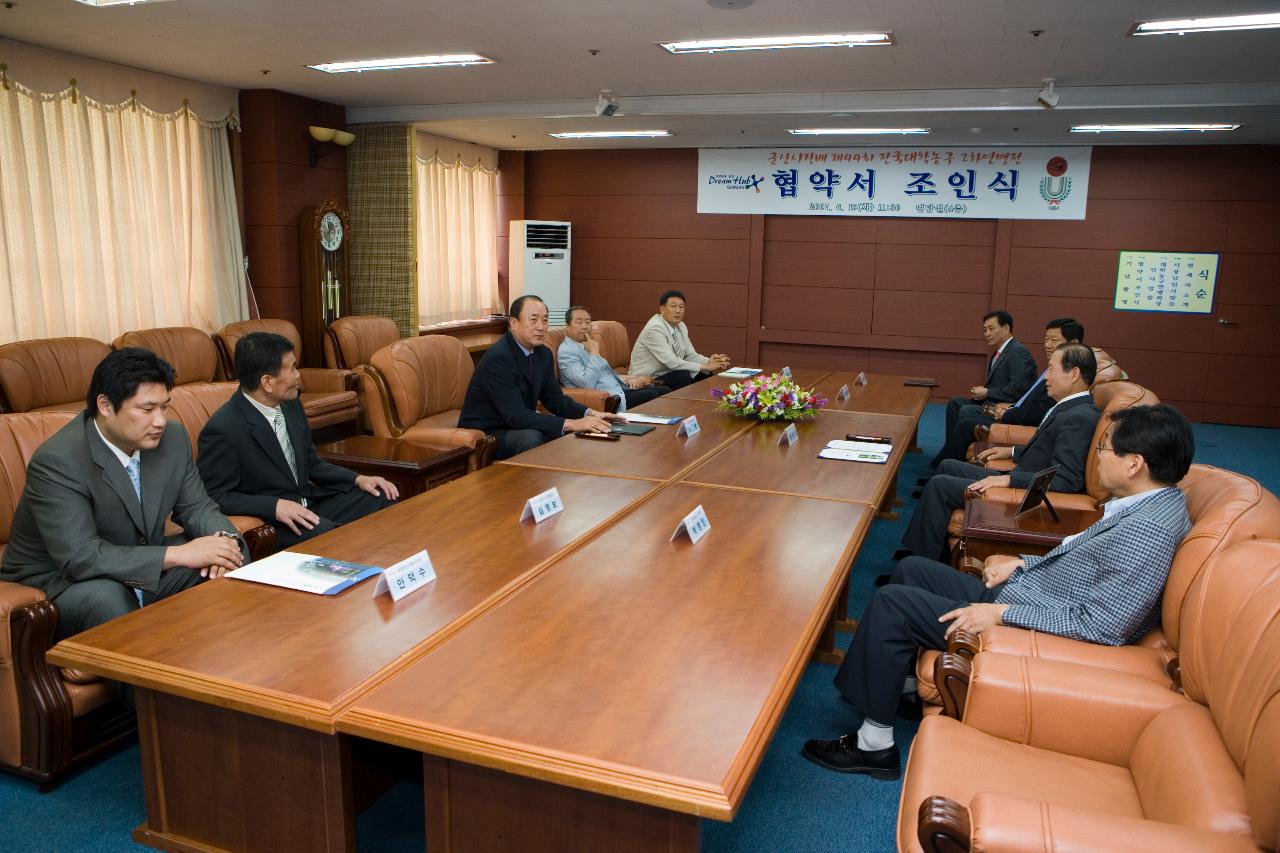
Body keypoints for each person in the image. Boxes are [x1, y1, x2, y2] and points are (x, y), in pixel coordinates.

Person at [802, 404, 1195, 780]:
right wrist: (1023, 562)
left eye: (1105, 448)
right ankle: (899, 686)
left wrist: (1001, 614)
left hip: (1031, 621)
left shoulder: (1150, 529)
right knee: (911, 570)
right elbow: (1084, 562)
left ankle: (874, 744)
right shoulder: (1148, 505)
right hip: (1031, 592)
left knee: (893, 603)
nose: (1099, 455)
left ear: (1135, 463)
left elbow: (1103, 625)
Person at [1, 348, 247, 641]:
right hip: (64, 582)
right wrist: (178, 554)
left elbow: (198, 507)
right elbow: (81, 557)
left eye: (164, 407)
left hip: (139, 564)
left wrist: (225, 544)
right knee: (108, 597)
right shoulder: (59, 460)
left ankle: (219, 671)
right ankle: (154, 685)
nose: (159, 421)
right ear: (105, 405)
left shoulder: (173, 438)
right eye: (147, 409)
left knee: (229, 556)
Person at [900, 343, 1100, 564]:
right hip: (1024, 474)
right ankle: (934, 550)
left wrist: (1008, 479)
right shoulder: (1071, 408)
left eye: (1052, 369)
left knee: (941, 485)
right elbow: (1048, 450)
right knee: (948, 466)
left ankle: (922, 559)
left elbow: (1066, 479)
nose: (1046, 378)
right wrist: (1011, 450)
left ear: (1073, 374)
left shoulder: (1080, 417)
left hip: (1025, 492)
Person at [197, 332, 399, 550]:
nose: (298, 376)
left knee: (381, 497)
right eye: (292, 368)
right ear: (267, 382)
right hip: (278, 522)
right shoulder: (224, 428)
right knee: (333, 536)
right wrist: (274, 506)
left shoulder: (290, 404)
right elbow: (215, 496)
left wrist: (358, 479)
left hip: (310, 505)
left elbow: (311, 463)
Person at [459, 294, 619, 459]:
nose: (541, 327)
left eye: (544, 320)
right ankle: (531, 485)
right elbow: (516, 415)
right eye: (533, 320)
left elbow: (555, 399)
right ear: (513, 323)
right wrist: (571, 423)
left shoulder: (543, 353)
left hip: (516, 425)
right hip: (487, 432)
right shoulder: (498, 358)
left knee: (575, 433)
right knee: (532, 437)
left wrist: (590, 414)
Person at [930, 317, 1084, 468]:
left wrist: (1004, 410)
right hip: (1013, 409)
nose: (1048, 345)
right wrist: (1009, 407)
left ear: (1074, 344)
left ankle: (944, 465)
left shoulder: (1064, 376)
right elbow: (1029, 399)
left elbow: (1032, 406)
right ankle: (949, 460)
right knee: (958, 405)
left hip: (1020, 422)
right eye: (1046, 339)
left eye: (1054, 340)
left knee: (965, 417)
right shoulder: (1050, 369)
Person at [941, 311, 1038, 444]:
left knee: (965, 409)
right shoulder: (999, 352)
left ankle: (956, 450)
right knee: (955, 403)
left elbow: (1019, 388)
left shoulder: (1018, 351)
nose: (987, 333)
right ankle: (952, 447)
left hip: (1004, 408)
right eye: (985, 330)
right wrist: (984, 392)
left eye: (991, 329)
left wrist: (987, 392)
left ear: (1005, 329)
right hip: (991, 402)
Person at [557, 305, 668, 412]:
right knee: (653, 396)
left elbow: (605, 374)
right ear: (567, 327)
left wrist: (628, 381)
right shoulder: (567, 351)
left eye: (587, 322)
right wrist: (595, 354)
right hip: (609, 400)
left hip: (619, 390)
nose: (585, 326)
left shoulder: (587, 344)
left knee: (665, 391)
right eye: (579, 322)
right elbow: (586, 383)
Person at [627, 290, 731, 390]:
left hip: (666, 374)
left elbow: (690, 355)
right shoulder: (655, 328)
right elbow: (671, 362)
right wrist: (705, 366)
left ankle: (694, 406)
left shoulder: (681, 326)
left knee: (703, 374)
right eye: (673, 306)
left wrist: (710, 361)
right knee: (683, 375)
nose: (678, 310)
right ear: (662, 309)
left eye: (681, 307)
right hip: (645, 379)